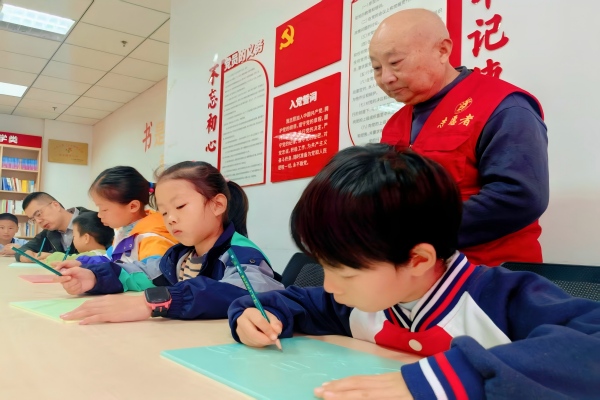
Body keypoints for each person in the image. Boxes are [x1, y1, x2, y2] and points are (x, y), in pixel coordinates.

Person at [228, 144, 600, 400]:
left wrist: (452, 379)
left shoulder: (503, 299)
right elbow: (289, 302)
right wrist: (254, 315)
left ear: (418, 260)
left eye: (346, 272)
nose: (328, 286)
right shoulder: (354, 301)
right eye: (323, 266)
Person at [370, 9, 548, 266]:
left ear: (442, 50)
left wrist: (414, 232)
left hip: (490, 274)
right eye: (377, 68)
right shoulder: (395, 123)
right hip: (417, 273)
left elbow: (518, 197)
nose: (386, 78)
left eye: (395, 62)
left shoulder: (502, 106)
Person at [53, 161, 283, 324]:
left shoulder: (241, 253)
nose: (170, 218)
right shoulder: (180, 257)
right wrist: (94, 277)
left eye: (180, 206)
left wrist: (155, 301)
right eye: (163, 212)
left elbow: (249, 291)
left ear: (217, 205)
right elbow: (140, 271)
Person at [76, 166, 177, 268]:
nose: (99, 215)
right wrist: (81, 263)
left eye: (104, 209)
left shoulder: (153, 240)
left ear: (133, 206)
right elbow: (110, 259)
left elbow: (150, 275)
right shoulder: (124, 231)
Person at [17, 192, 90, 261]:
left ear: (55, 205)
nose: (38, 221)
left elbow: (95, 257)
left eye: (38, 214)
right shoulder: (49, 232)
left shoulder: (93, 221)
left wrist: (56, 257)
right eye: (33, 220)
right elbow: (21, 251)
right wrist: (31, 256)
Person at [46, 212, 114, 262]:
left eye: (74, 236)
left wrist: (50, 256)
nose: (73, 240)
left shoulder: (89, 257)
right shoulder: (108, 255)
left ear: (86, 238)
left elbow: (64, 259)